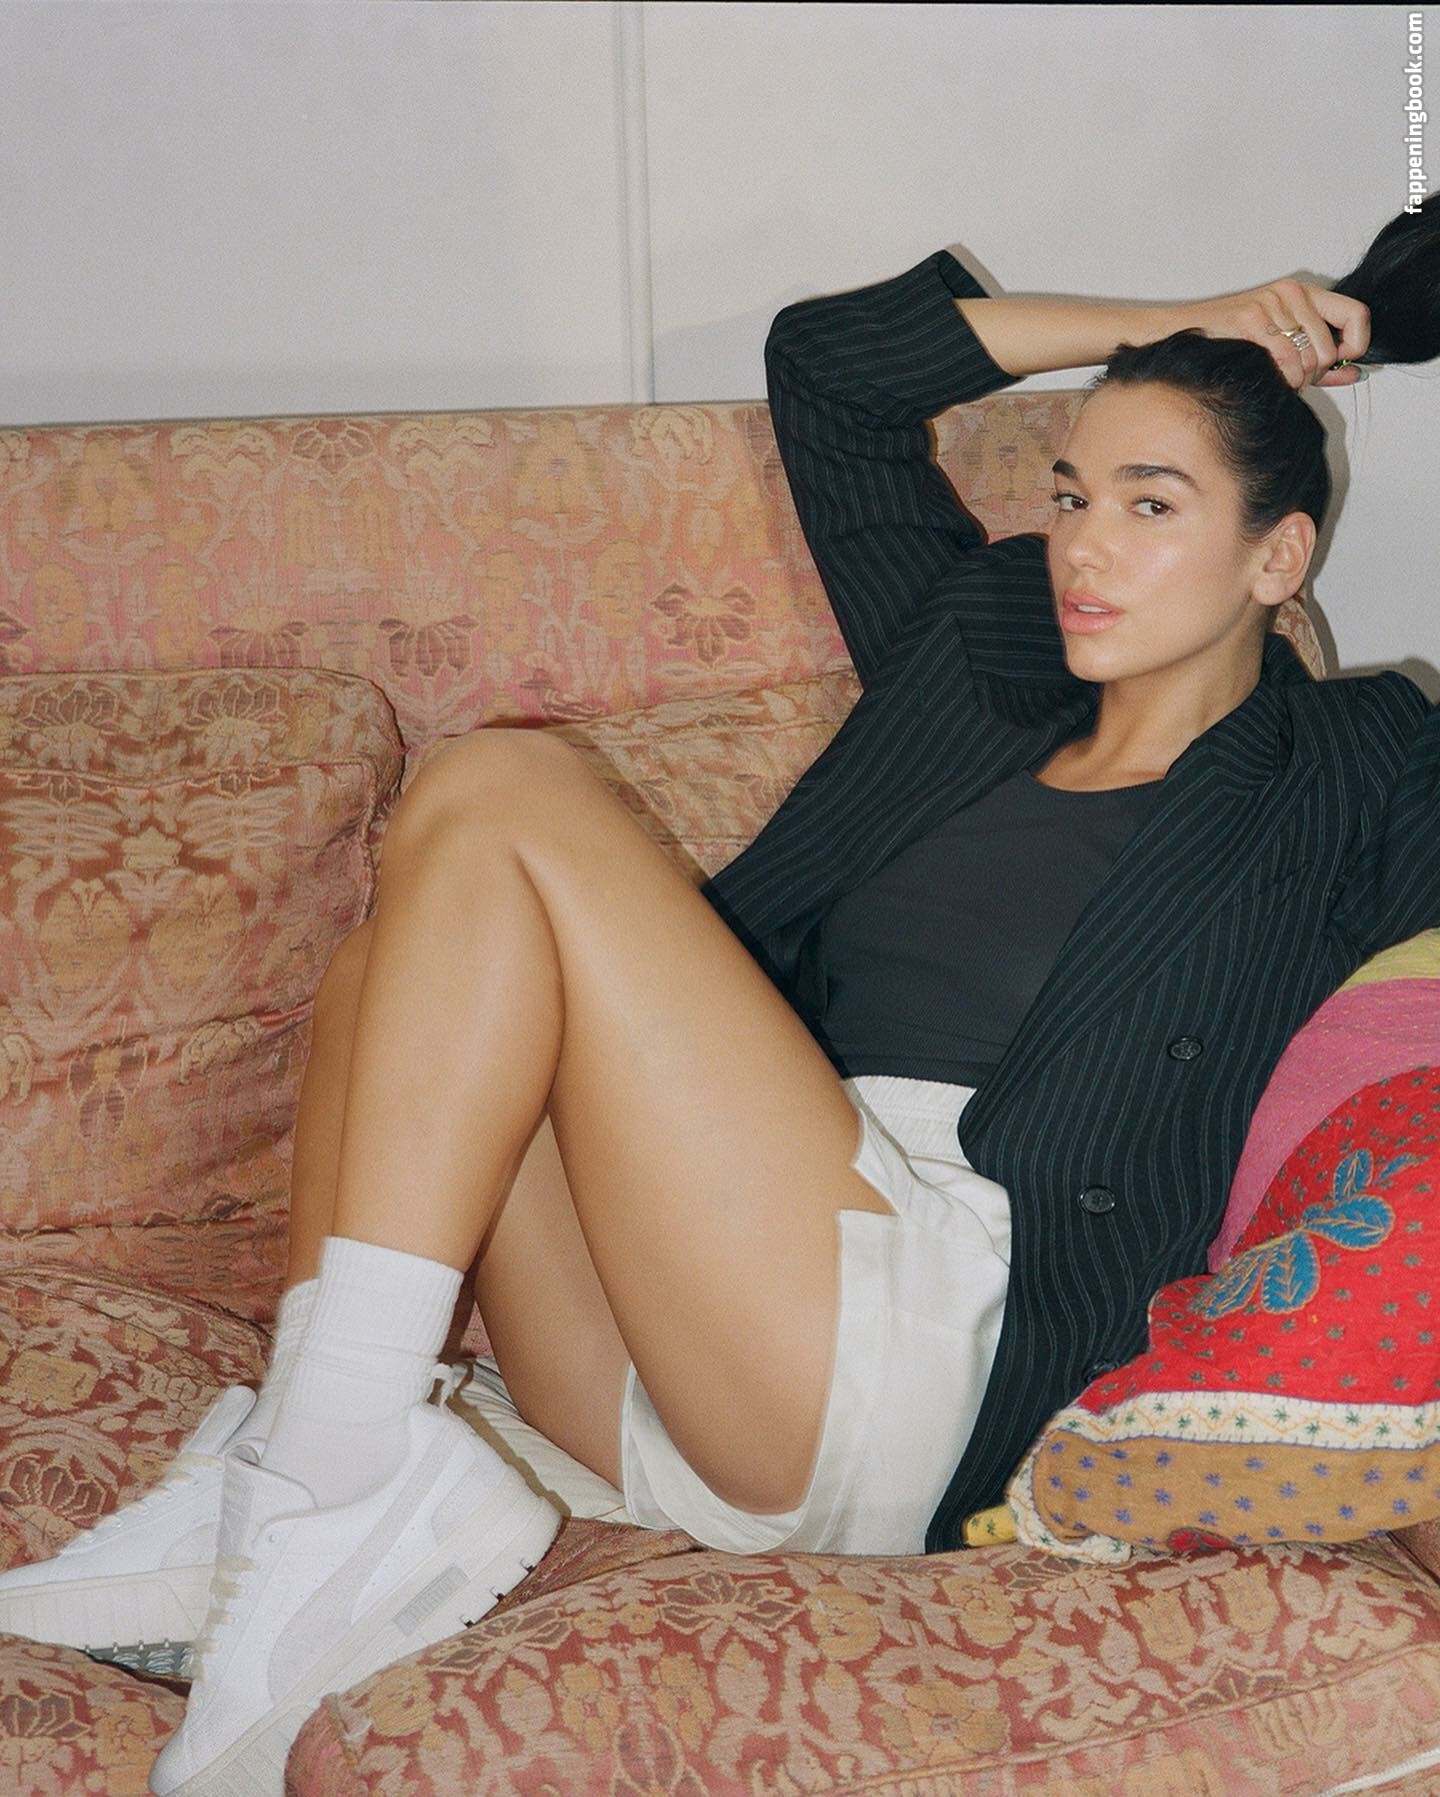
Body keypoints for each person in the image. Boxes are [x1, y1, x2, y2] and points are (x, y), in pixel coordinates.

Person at [5, 197, 1440, 1794]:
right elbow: (830, 367)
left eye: (1152, 504)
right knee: (380, 965)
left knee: (498, 787)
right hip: (698, 1335)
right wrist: (1186, 320)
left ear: (1278, 555)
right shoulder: (980, 658)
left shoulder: (1359, 764)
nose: (1086, 546)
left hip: (932, 1335)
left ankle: (314, 1486)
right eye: (1071, 492)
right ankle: (307, 1461)